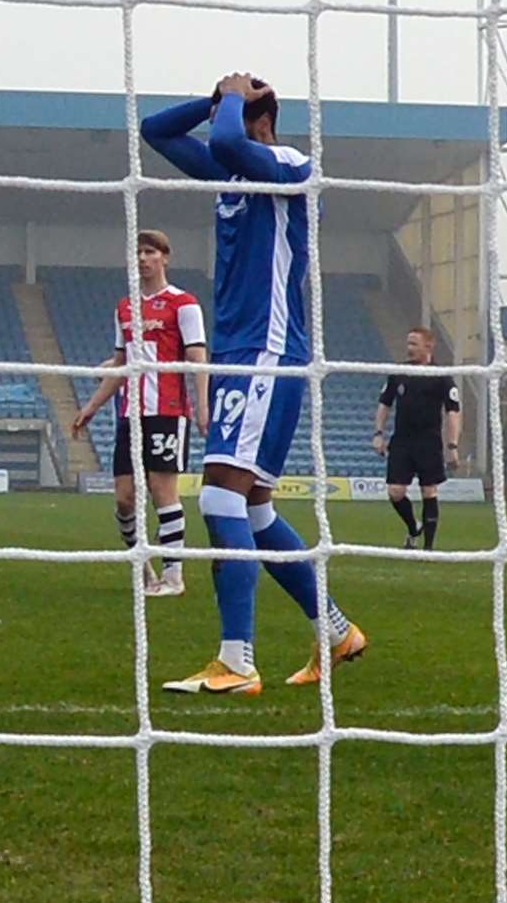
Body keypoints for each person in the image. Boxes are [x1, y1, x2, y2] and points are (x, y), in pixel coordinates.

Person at [141, 73, 365, 695]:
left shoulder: (290, 163)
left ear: (260, 117)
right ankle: (338, 629)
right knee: (256, 507)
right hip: (247, 350)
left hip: (266, 350)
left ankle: (237, 661)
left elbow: (234, 143)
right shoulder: (234, 168)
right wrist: (214, 100)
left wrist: (232, 102)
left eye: (234, 112)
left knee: (218, 500)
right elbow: (154, 131)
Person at [71, 229, 209, 597]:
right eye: (138, 253)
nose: (143, 259)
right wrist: (91, 406)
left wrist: (202, 407)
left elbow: (197, 358)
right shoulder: (125, 307)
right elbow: (120, 363)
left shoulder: (184, 304)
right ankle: (142, 565)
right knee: (124, 497)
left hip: (167, 409)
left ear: (165, 257)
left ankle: (174, 575)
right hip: (129, 414)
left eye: (150, 252)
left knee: (162, 489)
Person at [373, 326, 461, 551]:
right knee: (395, 491)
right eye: (408, 343)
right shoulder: (399, 372)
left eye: (414, 344)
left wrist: (452, 445)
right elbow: (384, 404)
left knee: (429, 491)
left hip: (428, 443)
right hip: (401, 441)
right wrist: (378, 433)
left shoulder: (441, 377)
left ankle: (428, 549)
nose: (409, 348)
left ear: (428, 346)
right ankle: (413, 527)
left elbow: (453, 411)